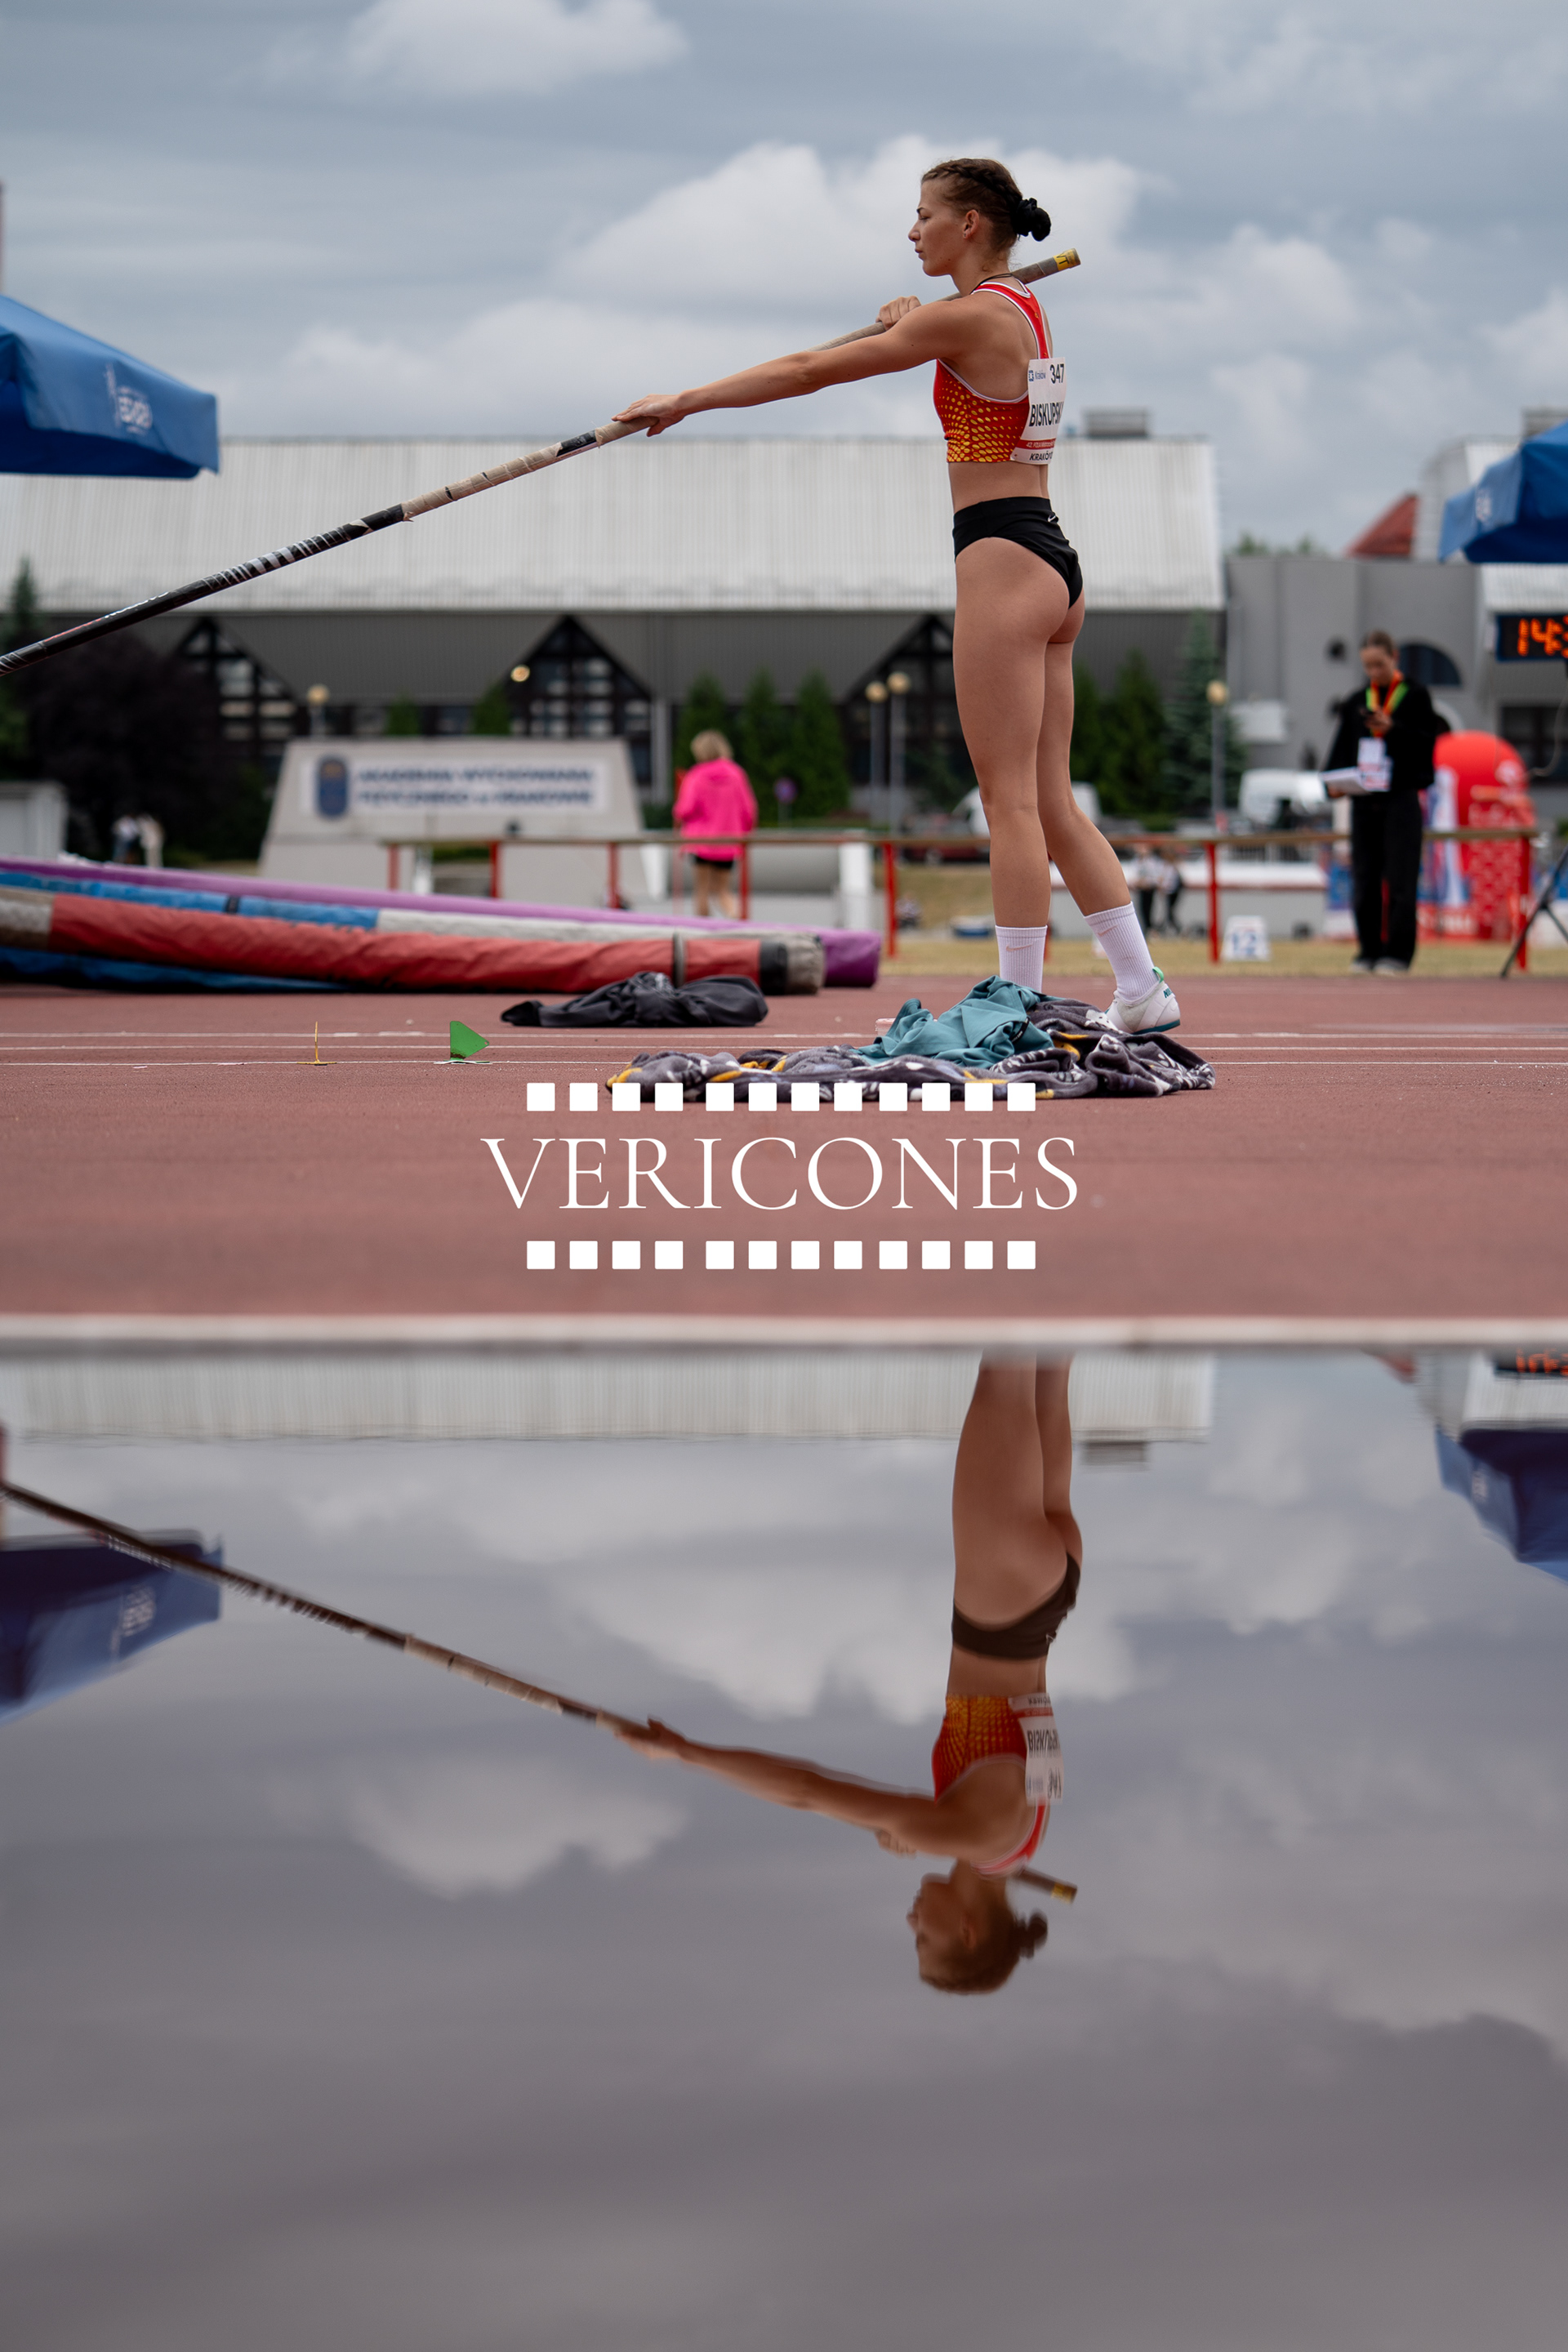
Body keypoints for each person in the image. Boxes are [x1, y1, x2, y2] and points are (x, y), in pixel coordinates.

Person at [616, 158, 1178, 1035]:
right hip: (1052, 560)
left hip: (1000, 558)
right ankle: (1141, 989)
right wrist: (917, 321)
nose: (911, 231)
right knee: (1053, 803)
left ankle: (1015, 1009)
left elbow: (812, 370)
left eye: (924, 215)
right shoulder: (1020, 307)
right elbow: (955, 341)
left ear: (969, 224)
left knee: (1010, 806)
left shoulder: (967, 318)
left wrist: (689, 400)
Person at [617, 1356, 1079, 1995]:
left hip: (1048, 1597)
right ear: (968, 1930)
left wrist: (914, 1826)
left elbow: (1005, 1759)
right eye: (924, 1939)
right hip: (999, 1594)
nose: (911, 1923)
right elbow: (809, 1790)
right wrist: (687, 1753)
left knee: (1051, 1360)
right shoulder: (973, 1835)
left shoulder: (1019, 1841)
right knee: (1008, 1358)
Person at [1323, 630, 1442, 973]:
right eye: (1368, 666)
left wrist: (1394, 729)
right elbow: (1339, 753)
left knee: (1401, 880)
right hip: (1364, 804)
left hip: (1400, 802)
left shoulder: (1416, 696)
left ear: (1394, 658)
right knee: (1365, 879)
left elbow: (1428, 746)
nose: (1374, 672)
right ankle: (1368, 951)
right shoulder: (1356, 701)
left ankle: (1398, 954)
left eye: (1380, 664)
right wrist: (1334, 785)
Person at [673, 728, 757, 919]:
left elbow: (685, 809)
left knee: (701, 890)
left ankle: (703, 930)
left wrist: (677, 818)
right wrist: (745, 833)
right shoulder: (736, 774)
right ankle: (737, 917)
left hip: (701, 841)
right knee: (723, 891)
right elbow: (748, 809)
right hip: (728, 841)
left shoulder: (696, 775)